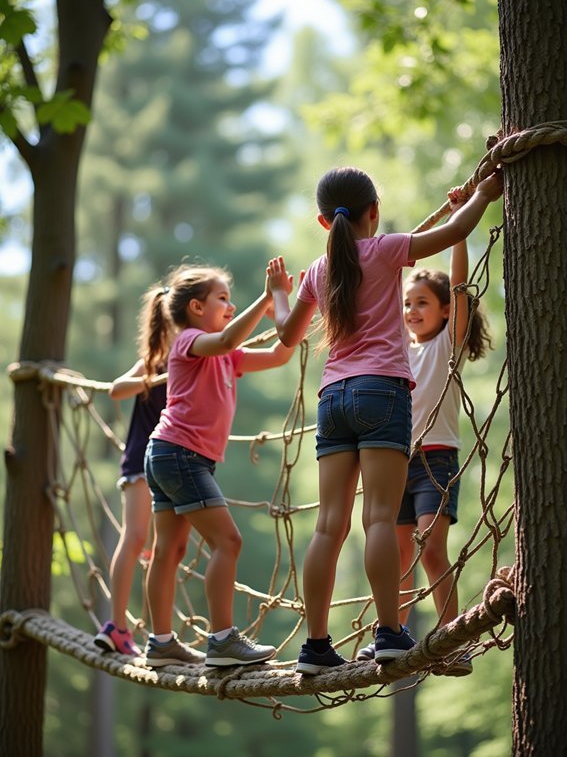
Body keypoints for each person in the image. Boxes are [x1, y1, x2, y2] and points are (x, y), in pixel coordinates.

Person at [267, 165, 503, 675]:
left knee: (328, 525)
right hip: (383, 394)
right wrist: (484, 193)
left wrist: (278, 292)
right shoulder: (387, 248)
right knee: (378, 519)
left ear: (323, 223)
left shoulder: (315, 271)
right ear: (373, 213)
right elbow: (455, 231)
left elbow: (287, 335)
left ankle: (314, 645)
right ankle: (391, 632)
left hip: (332, 397)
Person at [357, 195, 493, 675]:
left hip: (435, 459)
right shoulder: (395, 347)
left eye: (422, 303)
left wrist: (457, 228)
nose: (412, 310)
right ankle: (390, 633)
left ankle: (451, 640)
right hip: (395, 459)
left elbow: (460, 286)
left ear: (443, 312)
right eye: (408, 303)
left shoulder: (445, 348)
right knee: (396, 556)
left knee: (430, 548)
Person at [142, 263, 296, 668]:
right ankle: (223, 640)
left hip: (171, 455)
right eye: (222, 299)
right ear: (196, 307)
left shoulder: (229, 358)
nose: (230, 305)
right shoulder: (189, 342)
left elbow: (281, 353)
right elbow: (226, 339)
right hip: (180, 455)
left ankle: (160, 643)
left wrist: (291, 302)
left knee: (171, 550)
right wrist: (266, 296)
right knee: (228, 542)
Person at [94, 282, 173, 657]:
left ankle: (152, 632)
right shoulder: (156, 360)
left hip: (170, 461)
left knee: (160, 546)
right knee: (136, 537)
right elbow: (116, 390)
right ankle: (118, 625)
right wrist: (149, 378)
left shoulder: (195, 355)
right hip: (144, 457)